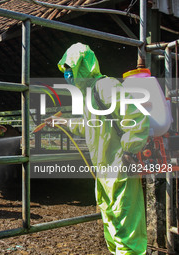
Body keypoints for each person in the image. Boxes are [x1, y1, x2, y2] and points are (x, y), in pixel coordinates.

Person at [46, 43, 150, 254]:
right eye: (64, 69)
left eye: (70, 68)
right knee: (111, 221)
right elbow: (90, 127)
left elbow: (136, 117)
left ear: (82, 65)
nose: (67, 74)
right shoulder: (88, 96)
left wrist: (129, 150)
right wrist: (64, 123)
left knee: (126, 223)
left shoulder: (105, 86)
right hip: (103, 169)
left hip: (120, 165)